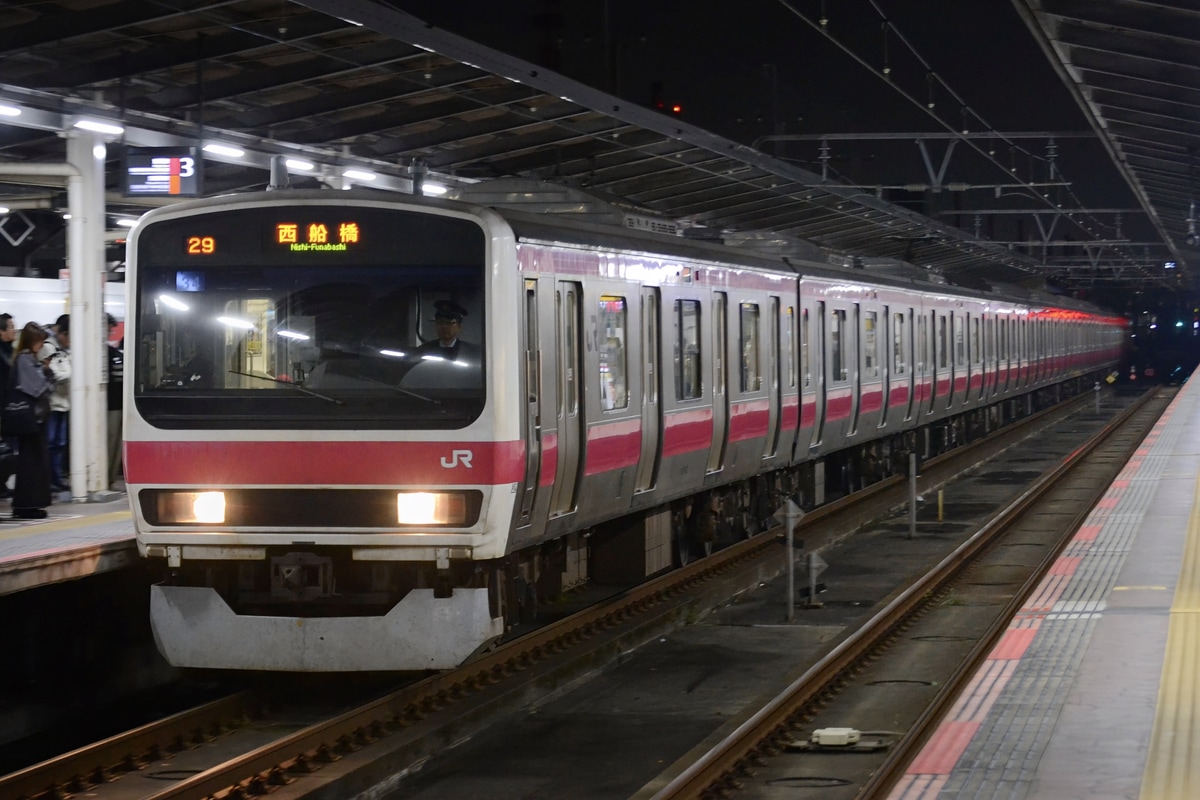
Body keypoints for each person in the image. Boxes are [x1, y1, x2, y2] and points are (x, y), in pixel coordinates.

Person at [9, 322, 55, 519]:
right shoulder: (24, 360)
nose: (41, 345)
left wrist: (46, 373)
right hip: (31, 419)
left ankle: (32, 504)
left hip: (37, 419)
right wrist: (46, 374)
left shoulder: (29, 359)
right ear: (31, 341)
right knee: (31, 463)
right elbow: (36, 388)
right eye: (38, 341)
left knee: (36, 461)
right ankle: (26, 505)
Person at [44, 316, 70, 493]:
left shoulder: (65, 350)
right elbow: (53, 375)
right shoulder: (49, 347)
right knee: (51, 443)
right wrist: (69, 372)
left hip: (64, 403)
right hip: (52, 404)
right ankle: (49, 479)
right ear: (62, 333)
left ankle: (57, 478)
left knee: (60, 444)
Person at [414, 300, 480, 364]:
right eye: (440, 322)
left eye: (449, 323)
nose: (444, 326)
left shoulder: (471, 352)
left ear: (459, 327)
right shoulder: (424, 350)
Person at [106, 315, 123, 489]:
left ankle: (109, 477)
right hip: (108, 405)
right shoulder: (102, 352)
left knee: (116, 443)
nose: (110, 331)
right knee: (109, 441)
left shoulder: (114, 352)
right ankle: (103, 477)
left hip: (118, 404)